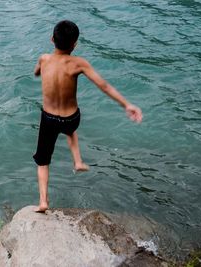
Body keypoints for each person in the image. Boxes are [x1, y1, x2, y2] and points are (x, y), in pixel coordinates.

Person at [33, 20, 143, 212]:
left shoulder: (43, 59)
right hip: (71, 117)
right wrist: (127, 104)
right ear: (74, 44)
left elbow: (36, 72)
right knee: (70, 131)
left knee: (43, 161)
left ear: (52, 39)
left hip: (49, 119)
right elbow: (104, 86)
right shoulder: (79, 63)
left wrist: (40, 72)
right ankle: (77, 160)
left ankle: (43, 201)